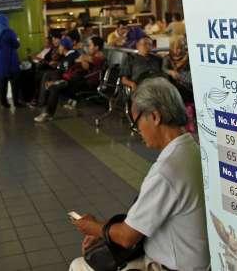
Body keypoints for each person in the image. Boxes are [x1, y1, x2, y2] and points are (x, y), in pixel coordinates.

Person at [69, 78, 210, 271]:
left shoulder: (167, 171)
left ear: (154, 117)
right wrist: (104, 231)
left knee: (79, 266)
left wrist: (93, 227)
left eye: (136, 124)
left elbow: (127, 237)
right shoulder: (193, 148)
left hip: (171, 267)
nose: (137, 132)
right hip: (194, 260)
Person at [34, 36, 105, 122]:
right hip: (77, 80)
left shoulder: (99, 57)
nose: (88, 47)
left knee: (55, 86)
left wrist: (83, 58)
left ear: (96, 47)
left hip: (85, 82)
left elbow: (84, 63)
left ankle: (48, 112)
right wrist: (83, 58)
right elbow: (81, 61)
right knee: (53, 81)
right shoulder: (91, 56)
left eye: (90, 45)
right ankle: (47, 109)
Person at [32, 37, 79, 117]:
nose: (58, 48)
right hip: (63, 77)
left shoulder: (71, 56)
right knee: (47, 75)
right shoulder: (69, 55)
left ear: (64, 47)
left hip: (68, 80)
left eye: (60, 46)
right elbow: (63, 67)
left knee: (49, 78)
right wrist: (57, 64)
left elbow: (64, 70)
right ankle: (42, 103)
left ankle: (42, 104)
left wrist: (57, 68)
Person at [0, 14, 23, 108]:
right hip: (11, 60)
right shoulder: (9, 32)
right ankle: (16, 102)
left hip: (0, 61)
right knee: (15, 83)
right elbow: (16, 45)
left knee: (2, 84)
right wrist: (18, 40)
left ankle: (3, 103)